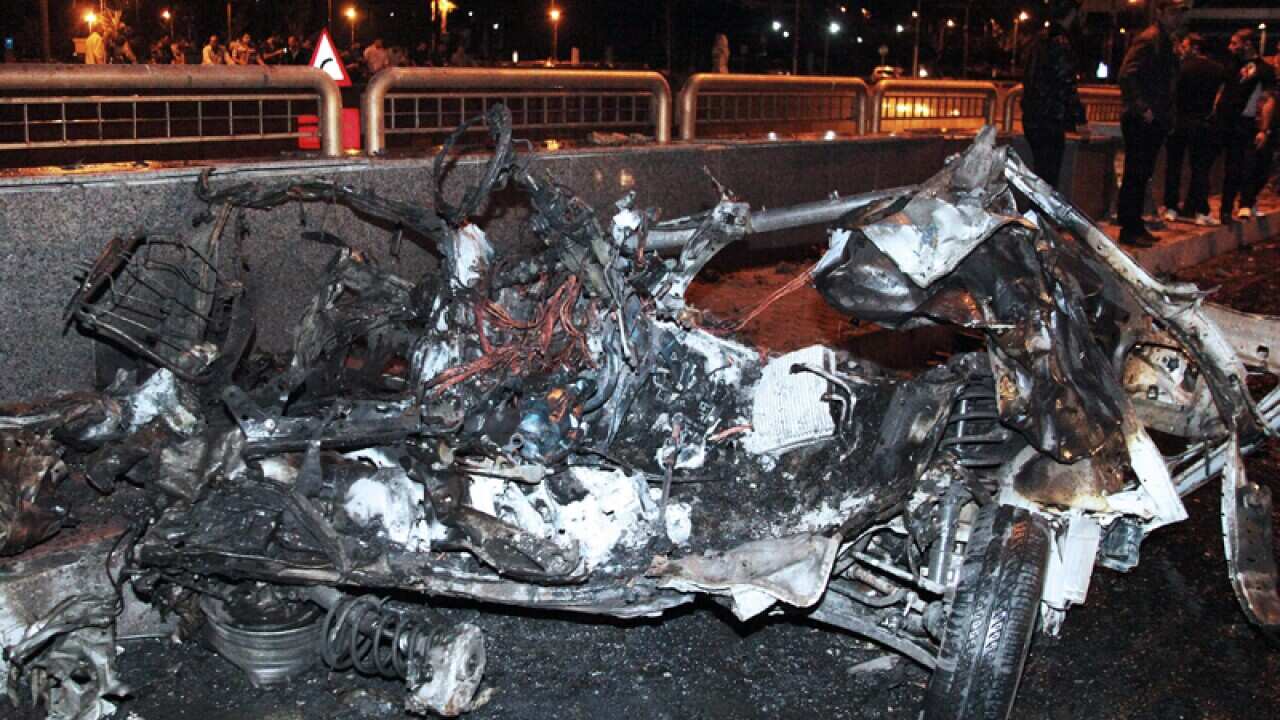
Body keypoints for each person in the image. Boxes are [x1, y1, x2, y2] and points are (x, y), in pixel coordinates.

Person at [1115, 0, 1187, 248]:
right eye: (1174, 12)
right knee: (1136, 173)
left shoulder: (1164, 40)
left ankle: (1134, 225)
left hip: (1153, 117)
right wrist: (1142, 107)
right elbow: (1127, 73)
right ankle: (1129, 227)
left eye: (1181, 13)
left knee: (1141, 173)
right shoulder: (1151, 39)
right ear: (1161, 13)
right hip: (1143, 118)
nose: (1179, 17)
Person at [1019, 0, 1086, 189]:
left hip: (1033, 116)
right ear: (1072, 14)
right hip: (1050, 119)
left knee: (1041, 172)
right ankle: (1039, 216)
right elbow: (1066, 84)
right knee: (1048, 176)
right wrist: (1079, 118)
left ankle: (1035, 215)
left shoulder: (1038, 41)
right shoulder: (1060, 43)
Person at [1162, 33, 1225, 226]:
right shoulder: (1218, 70)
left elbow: (1171, 94)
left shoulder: (1181, 68)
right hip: (1203, 123)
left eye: (1185, 45)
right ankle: (1200, 209)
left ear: (1194, 48)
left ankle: (1171, 207)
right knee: (1200, 168)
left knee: (1174, 166)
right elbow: (1220, 99)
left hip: (1179, 121)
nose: (1182, 47)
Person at [1217, 29, 1277, 221]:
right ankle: (1227, 209)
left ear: (1248, 44)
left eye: (1235, 43)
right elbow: (1222, 91)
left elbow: (1268, 101)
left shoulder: (1264, 70)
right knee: (1232, 166)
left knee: (1254, 165)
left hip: (1249, 123)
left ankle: (1246, 202)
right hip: (1229, 123)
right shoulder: (1231, 65)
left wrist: (1263, 129)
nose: (1231, 47)